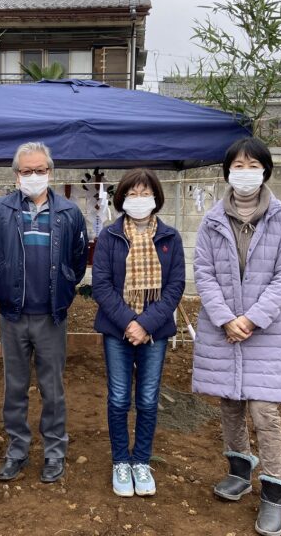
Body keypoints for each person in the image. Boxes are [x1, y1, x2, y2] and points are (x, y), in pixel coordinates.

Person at [193, 137, 281, 536]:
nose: (245, 172)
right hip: (223, 329)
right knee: (230, 402)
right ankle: (239, 471)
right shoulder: (212, 220)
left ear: (265, 170)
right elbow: (203, 273)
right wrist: (224, 319)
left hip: (264, 330)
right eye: (237, 165)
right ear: (227, 172)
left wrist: (252, 319)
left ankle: (274, 491)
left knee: (264, 412)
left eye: (252, 164)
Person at [0, 142, 88, 484]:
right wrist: (2, 282)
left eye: (40, 170)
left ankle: (54, 452)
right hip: (12, 316)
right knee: (15, 387)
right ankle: (17, 450)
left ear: (50, 172)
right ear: (16, 176)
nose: (34, 176)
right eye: (27, 171)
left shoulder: (69, 214)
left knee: (52, 389)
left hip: (51, 316)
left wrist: (66, 288)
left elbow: (78, 261)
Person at [91, 168, 185, 497]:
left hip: (155, 331)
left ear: (156, 198)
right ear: (122, 199)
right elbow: (101, 286)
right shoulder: (109, 235)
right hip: (118, 329)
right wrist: (129, 322)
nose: (139, 199)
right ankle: (121, 461)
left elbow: (175, 287)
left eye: (146, 193)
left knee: (147, 398)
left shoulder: (170, 238)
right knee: (118, 398)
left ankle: (141, 461)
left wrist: (146, 324)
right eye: (133, 193)